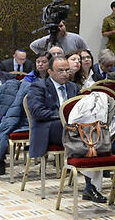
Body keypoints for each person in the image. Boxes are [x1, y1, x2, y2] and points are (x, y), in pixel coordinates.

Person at [27, 56, 84, 185]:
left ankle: (91, 182)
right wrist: (63, 116)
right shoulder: (38, 86)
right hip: (48, 128)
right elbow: (37, 112)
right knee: (84, 134)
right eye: (60, 71)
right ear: (50, 72)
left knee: (93, 130)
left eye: (67, 70)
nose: (65, 74)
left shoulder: (73, 87)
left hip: (71, 128)